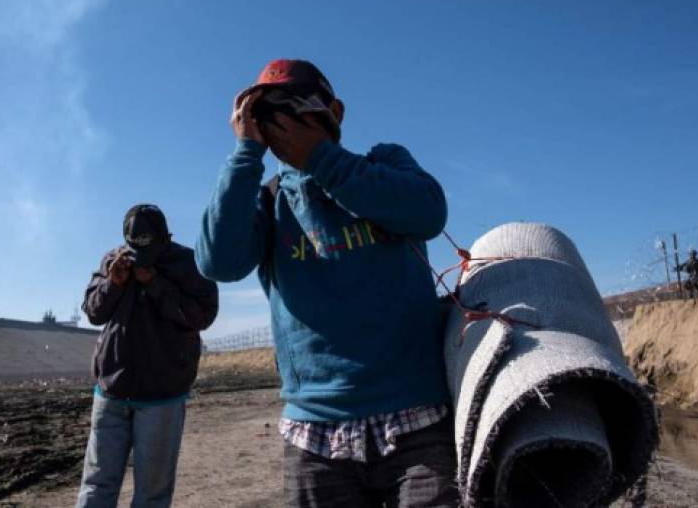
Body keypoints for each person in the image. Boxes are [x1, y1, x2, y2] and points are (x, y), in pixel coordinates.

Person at [195, 59, 457, 507]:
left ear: (334, 111)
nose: (283, 122)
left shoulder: (385, 163)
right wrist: (245, 154)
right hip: (314, 433)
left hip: (418, 421)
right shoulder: (268, 200)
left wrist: (321, 160)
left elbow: (428, 213)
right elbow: (218, 261)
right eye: (269, 113)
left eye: (296, 106)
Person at [77, 204, 218, 508]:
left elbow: (204, 315)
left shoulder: (188, 263)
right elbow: (92, 312)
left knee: (152, 496)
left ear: (166, 238)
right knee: (96, 486)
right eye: (133, 249)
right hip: (111, 394)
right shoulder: (113, 260)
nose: (137, 258)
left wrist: (155, 284)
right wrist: (111, 284)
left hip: (162, 398)